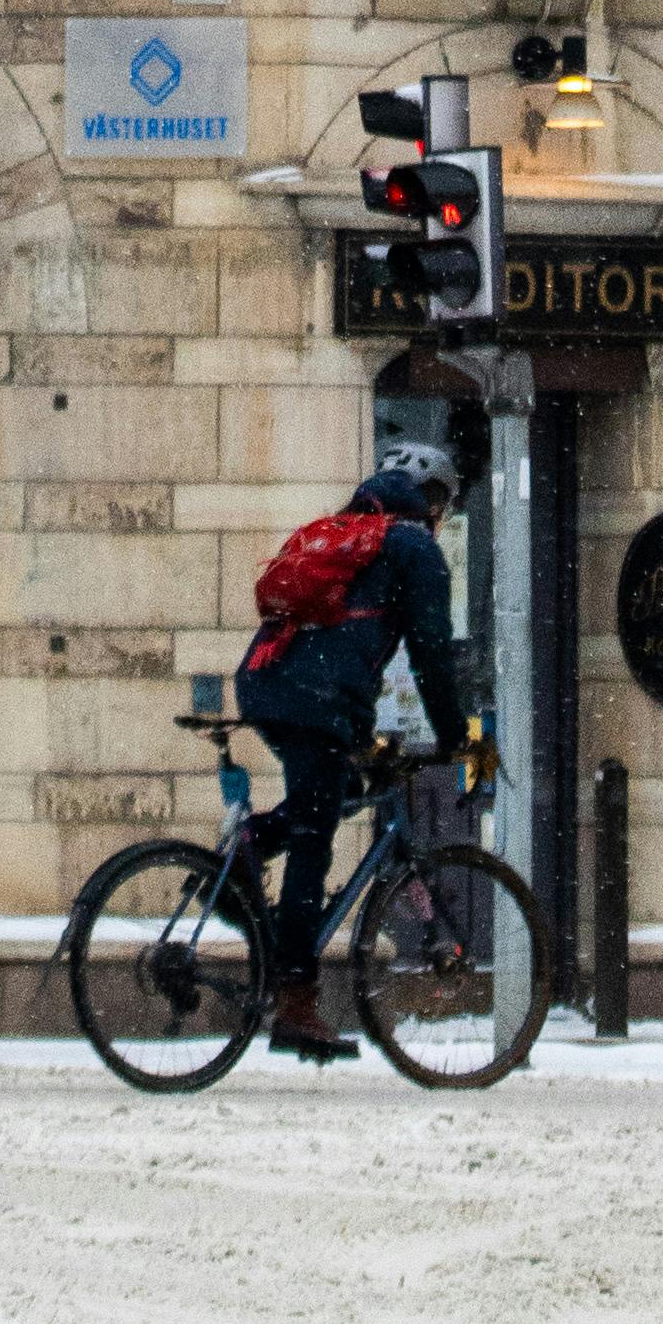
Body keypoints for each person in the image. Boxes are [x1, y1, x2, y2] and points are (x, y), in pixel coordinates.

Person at [236, 431, 477, 1063]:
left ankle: (249, 851)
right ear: (430, 498)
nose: (442, 515)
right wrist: (454, 736)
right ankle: (295, 1000)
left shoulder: (346, 533)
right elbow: (430, 652)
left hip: (267, 680)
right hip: (314, 699)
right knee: (315, 834)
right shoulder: (414, 547)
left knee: (340, 792)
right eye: (443, 503)